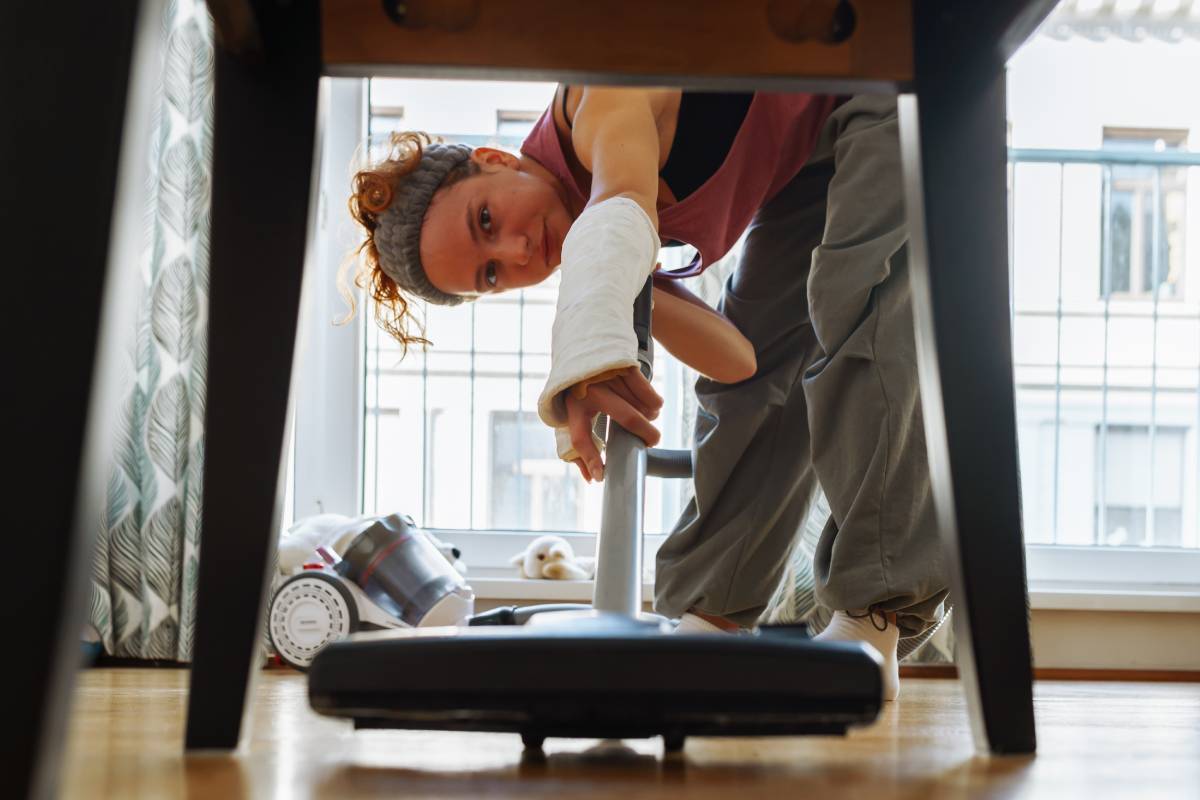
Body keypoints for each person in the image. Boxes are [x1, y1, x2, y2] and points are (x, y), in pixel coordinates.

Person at [343, 85, 950, 701]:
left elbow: (624, 197)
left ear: (497, 160)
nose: (517, 250)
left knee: (853, 294)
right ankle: (712, 623)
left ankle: (878, 618)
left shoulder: (596, 98)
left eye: (486, 220)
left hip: (878, 75)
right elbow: (742, 361)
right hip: (813, 161)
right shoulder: (602, 241)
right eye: (492, 274)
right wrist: (601, 347)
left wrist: (586, 338)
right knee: (751, 391)